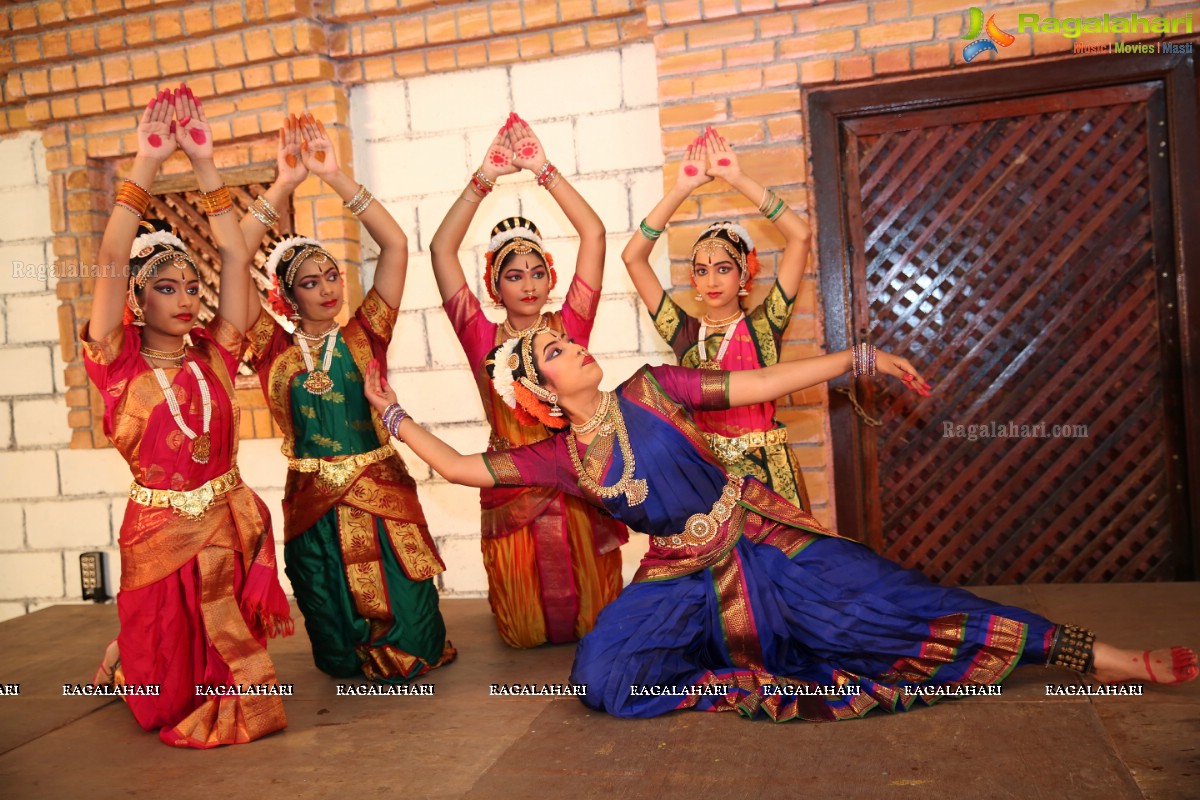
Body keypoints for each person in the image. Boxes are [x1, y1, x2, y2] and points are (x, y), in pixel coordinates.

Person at [362, 327, 1198, 721]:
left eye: (564, 338)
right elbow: (463, 468)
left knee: (893, 606)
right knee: (600, 675)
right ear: (542, 395)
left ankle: (1102, 656)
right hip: (680, 578)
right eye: (550, 353)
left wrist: (856, 359)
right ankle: (741, 673)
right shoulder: (558, 460)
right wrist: (393, 414)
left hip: (764, 542)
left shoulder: (653, 388)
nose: (571, 347)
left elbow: (758, 384)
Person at [83, 84, 292, 747]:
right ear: (137, 301)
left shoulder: (214, 355)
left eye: (190, 287)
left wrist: (205, 163)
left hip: (225, 526)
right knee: (161, 705)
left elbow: (235, 254)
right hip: (156, 535)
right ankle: (128, 655)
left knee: (232, 690)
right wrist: (145, 163)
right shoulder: (117, 365)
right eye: (164, 288)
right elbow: (112, 258)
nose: (183, 298)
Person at [238, 112, 454, 682]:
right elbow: (235, 261)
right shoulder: (267, 348)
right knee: (333, 633)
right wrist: (281, 187)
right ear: (286, 297)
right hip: (312, 499)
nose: (329, 288)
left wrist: (334, 176)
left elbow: (395, 244)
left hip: (382, 490)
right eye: (311, 282)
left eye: (332, 275)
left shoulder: (366, 333)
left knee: (413, 621)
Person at [428, 112, 626, 648]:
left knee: (595, 626)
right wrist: (483, 180)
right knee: (525, 634)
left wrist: (544, 170)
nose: (529, 284)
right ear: (494, 285)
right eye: (514, 275)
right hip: (511, 486)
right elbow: (440, 251)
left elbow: (594, 233)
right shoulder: (480, 338)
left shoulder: (569, 327)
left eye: (538, 272)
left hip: (576, 482)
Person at [622, 128, 834, 510]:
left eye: (723, 268)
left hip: (769, 476)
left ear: (744, 275)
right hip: (709, 477)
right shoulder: (682, 331)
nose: (712, 279)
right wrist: (680, 190)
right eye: (702, 271)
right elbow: (633, 257)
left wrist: (737, 178)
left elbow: (800, 237)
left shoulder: (764, 326)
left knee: (783, 568)